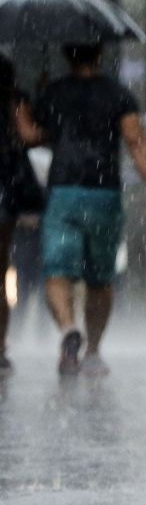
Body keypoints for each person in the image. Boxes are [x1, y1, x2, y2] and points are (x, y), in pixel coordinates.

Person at [16, 42, 146, 376]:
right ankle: (94, 351)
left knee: (56, 272)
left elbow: (32, 136)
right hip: (103, 193)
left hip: (63, 191)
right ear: (100, 55)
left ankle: (68, 328)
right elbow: (136, 141)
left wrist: (29, 101)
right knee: (100, 278)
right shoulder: (118, 95)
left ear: (67, 56)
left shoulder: (54, 93)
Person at [0, 53, 40, 374]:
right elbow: (28, 137)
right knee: (1, 274)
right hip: (6, 188)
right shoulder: (15, 102)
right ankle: (0, 346)